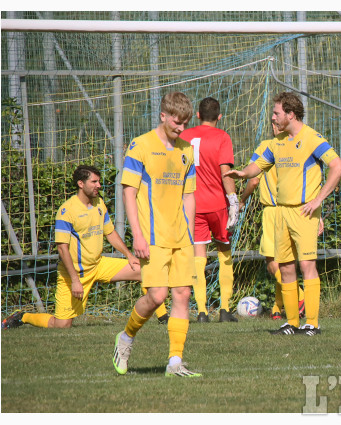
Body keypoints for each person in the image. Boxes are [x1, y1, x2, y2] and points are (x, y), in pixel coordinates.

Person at [225, 92, 341, 335]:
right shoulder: (277, 142)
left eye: (277, 112)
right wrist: (242, 174)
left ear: (291, 114)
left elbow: (338, 166)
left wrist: (318, 200)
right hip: (281, 213)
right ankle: (292, 323)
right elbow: (257, 166)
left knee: (307, 265)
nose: (273, 116)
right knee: (286, 268)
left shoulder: (312, 138)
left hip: (304, 213)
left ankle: (312, 323)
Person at [112, 91, 201, 378]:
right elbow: (129, 192)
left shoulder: (187, 150)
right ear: (163, 115)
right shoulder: (141, 146)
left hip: (181, 238)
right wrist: (136, 234)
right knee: (156, 296)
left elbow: (189, 195)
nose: (181, 128)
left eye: (185, 123)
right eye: (177, 122)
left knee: (183, 294)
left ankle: (175, 362)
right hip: (151, 237)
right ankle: (126, 338)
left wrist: (189, 232)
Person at [1, 165, 149, 329]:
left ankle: (162, 316)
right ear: (80, 183)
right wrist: (75, 281)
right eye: (94, 182)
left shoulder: (99, 203)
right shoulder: (67, 210)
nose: (99, 185)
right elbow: (62, 249)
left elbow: (111, 233)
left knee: (147, 271)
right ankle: (24, 317)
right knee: (62, 325)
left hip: (98, 265)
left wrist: (129, 255)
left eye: (99, 181)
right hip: (74, 273)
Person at [179, 97, 240, 323]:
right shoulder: (222, 137)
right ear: (220, 117)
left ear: (197, 115)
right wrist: (233, 201)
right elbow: (225, 171)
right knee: (224, 251)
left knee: (198, 256)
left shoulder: (184, 136)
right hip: (217, 205)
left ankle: (202, 312)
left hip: (192, 205)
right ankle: (224, 310)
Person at [239, 123, 306, 321]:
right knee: (286, 261)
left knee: (272, 263)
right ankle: (278, 307)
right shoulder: (295, 147)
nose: (273, 126)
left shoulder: (267, 147)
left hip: (272, 211)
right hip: (293, 210)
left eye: (275, 122)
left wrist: (242, 199)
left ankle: (300, 296)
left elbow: (253, 180)